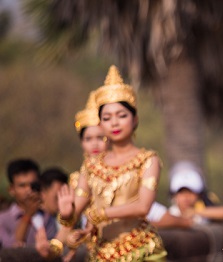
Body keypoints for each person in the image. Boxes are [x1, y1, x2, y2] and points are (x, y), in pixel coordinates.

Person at [56, 65, 167, 261]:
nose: (114, 123)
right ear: (100, 124)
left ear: (135, 120)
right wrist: (67, 213)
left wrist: (102, 213)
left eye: (122, 115)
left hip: (141, 250)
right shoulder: (91, 165)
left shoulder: (148, 160)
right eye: (107, 118)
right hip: (101, 254)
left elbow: (143, 206)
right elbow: (79, 208)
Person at [0, 159, 50, 248]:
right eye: (22, 186)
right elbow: (10, 249)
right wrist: (28, 214)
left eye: (33, 185)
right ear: (11, 190)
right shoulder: (3, 219)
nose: (29, 190)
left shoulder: (47, 217)